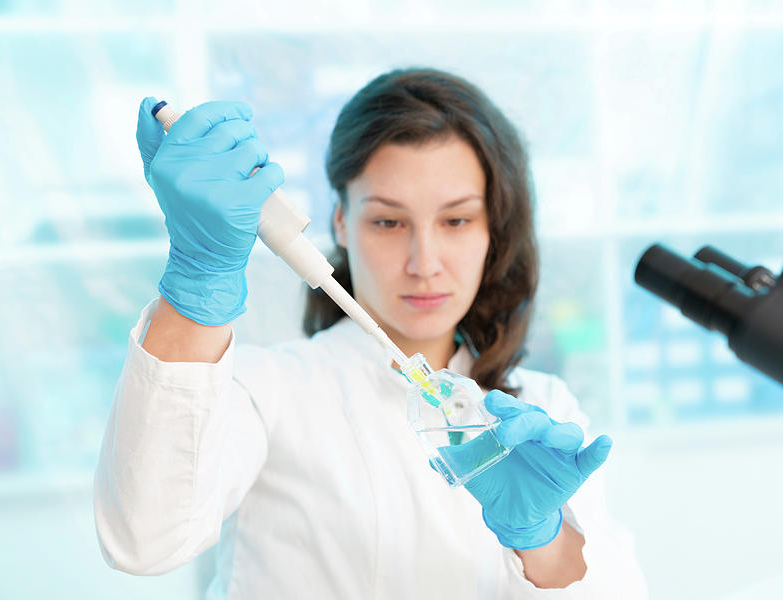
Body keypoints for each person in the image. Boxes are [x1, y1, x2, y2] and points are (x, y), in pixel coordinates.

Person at [94, 68, 647, 598]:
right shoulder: (267, 390)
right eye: (388, 221)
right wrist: (199, 278)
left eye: (456, 220)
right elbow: (144, 541)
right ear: (340, 221)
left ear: (493, 232)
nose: (424, 262)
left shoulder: (544, 408)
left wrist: (542, 541)